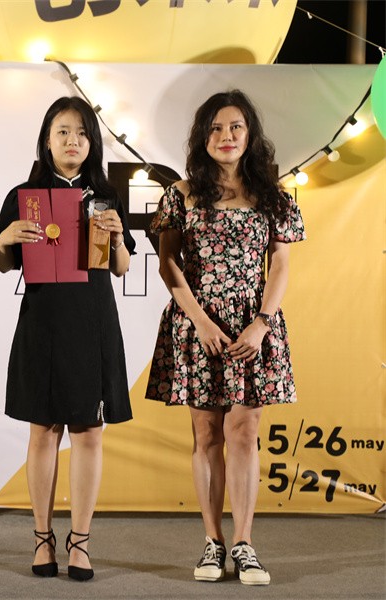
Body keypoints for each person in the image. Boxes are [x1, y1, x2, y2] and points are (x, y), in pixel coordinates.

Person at [145, 89, 305, 586]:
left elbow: (280, 264)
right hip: (199, 326)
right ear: (203, 137)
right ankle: (212, 542)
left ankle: (245, 544)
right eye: (215, 128)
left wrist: (262, 322)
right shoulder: (182, 193)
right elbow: (168, 263)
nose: (226, 136)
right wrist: (199, 320)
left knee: (244, 433)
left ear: (250, 134)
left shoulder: (275, 196)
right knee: (207, 434)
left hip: (253, 326)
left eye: (235, 126)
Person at [0, 96, 135, 581]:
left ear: (93, 143)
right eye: (63, 132)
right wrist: (6, 237)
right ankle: (42, 539)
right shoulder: (25, 195)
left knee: (89, 432)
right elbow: (3, 263)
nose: (73, 141)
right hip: (43, 322)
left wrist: (116, 237)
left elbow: (121, 267)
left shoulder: (105, 196)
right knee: (43, 430)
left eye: (82, 133)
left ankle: (81, 543)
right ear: (47, 140)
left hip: (93, 322)